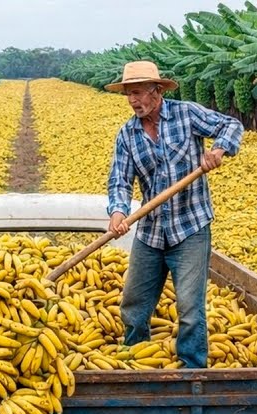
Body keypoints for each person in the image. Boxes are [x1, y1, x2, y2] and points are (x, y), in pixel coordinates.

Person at [104, 60, 244, 369]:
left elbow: (231, 125)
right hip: (152, 231)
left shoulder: (186, 114)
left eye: (138, 92)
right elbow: (120, 180)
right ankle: (135, 361)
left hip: (190, 228)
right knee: (134, 304)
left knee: (190, 308)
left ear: (156, 91)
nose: (133, 101)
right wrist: (117, 212)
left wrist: (218, 150)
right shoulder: (127, 135)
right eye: (128, 94)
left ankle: (193, 371)